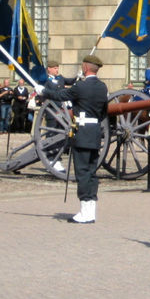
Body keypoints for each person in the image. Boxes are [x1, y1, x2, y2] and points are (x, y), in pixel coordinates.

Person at [36, 54, 109, 223]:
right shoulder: (102, 87)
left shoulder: (81, 87)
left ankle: (85, 211)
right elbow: (104, 111)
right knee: (91, 172)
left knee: (82, 172)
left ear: (85, 67)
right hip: (95, 133)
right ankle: (91, 209)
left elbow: (61, 95)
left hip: (82, 133)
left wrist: (43, 91)